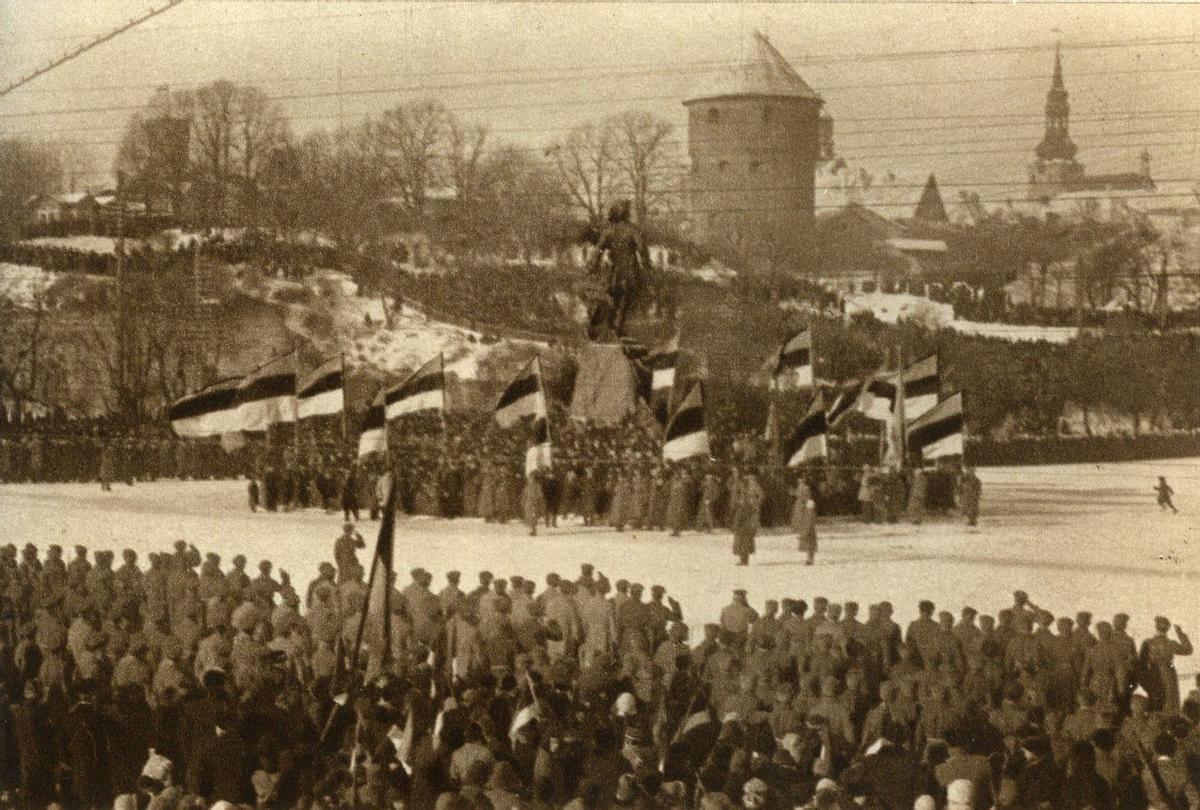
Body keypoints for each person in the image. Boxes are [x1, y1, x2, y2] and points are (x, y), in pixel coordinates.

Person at [730, 471, 764, 567]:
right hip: (743, 511)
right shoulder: (741, 486)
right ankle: (743, 559)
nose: (748, 478)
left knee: (746, 536)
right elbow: (736, 497)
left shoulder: (754, 485)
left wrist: (755, 504)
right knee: (740, 536)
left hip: (750, 512)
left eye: (749, 476)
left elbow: (761, 496)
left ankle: (744, 559)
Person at [792, 477, 818, 566]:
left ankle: (810, 558)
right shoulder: (799, 503)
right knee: (807, 539)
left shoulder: (808, 503)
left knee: (810, 538)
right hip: (804, 522)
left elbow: (810, 516)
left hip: (807, 522)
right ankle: (809, 558)